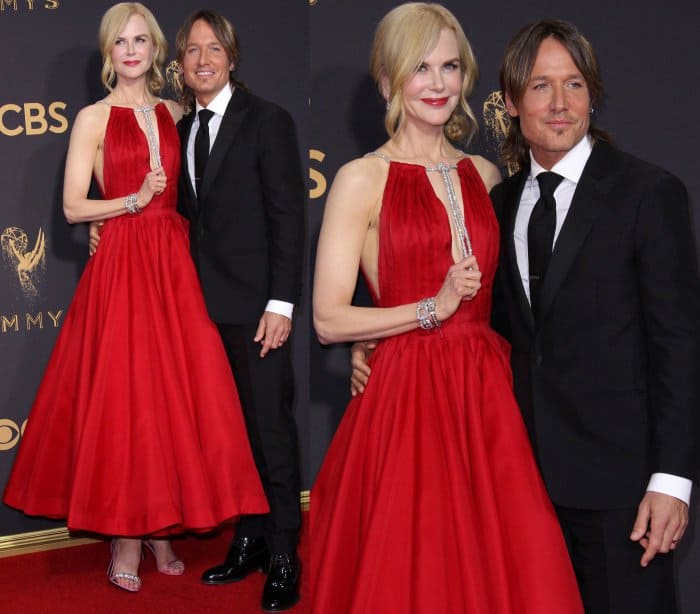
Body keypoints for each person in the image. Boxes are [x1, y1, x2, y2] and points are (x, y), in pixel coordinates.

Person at [353, 17, 700, 614]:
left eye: (574, 85)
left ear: (592, 94)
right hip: (517, 482)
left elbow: (679, 345)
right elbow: (488, 324)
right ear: (510, 102)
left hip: (621, 491)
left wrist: (670, 482)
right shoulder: (498, 200)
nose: (560, 104)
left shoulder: (648, 193)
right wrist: (383, 336)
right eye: (541, 86)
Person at [312, 4, 584, 613]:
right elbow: (329, 319)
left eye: (450, 67)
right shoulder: (362, 178)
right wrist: (427, 310)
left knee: (504, 564)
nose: (437, 84)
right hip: (407, 398)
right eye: (420, 68)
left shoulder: (486, 175)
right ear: (388, 80)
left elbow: (512, 299)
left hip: (488, 395)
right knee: (418, 568)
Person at [3, 2, 268, 594]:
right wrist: (127, 203)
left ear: (156, 51)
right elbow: (74, 207)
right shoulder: (93, 119)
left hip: (175, 267)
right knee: (130, 398)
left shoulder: (178, 112)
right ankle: (127, 532)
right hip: (123, 267)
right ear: (107, 52)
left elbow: (199, 195)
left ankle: (160, 526)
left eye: (141, 40)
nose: (130, 50)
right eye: (119, 41)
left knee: (176, 398)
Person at [171, 10, 304, 612]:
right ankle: (247, 537)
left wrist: (281, 302)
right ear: (179, 64)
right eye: (192, 51)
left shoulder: (267, 121)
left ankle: (283, 553)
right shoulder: (177, 130)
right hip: (198, 314)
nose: (203, 60)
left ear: (232, 56)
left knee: (269, 432)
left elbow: (287, 218)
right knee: (229, 436)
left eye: (214, 48)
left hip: (257, 311)